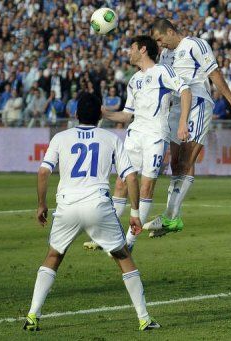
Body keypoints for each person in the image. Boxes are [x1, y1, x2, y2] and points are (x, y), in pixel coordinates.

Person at [22, 92, 161, 332]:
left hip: (67, 206)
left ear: (75, 114)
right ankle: (144, 318)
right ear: (100, 115)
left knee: (54, 256)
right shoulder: (110, 138)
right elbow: (129, 176)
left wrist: (42, 204)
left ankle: (33, 316)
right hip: (98, 205)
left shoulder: (61, 137)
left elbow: (44, 172)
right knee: (123, 256)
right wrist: (136, 212)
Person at [83, 35, 191, 252]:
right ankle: (109, 236)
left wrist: (182, 123)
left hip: (154, 136)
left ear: (142, 49)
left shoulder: (162, 71)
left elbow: (185, 91)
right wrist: (105, 113)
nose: (128, 52)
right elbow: (126, 116)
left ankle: (129, 243)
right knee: (122, 184)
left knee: (146, 186)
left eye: (131, 48)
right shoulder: (133, 80)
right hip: (134, 136)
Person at [146, 18, 231, 237]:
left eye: (161, 39)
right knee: (174, 161)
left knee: (186, 160)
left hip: (197, 104)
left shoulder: (195, 45)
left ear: (170, 32)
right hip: (175, 109)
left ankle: (170, 216)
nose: (160, 45)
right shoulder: (164, 55)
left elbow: (214, 73)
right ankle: (172, 218)